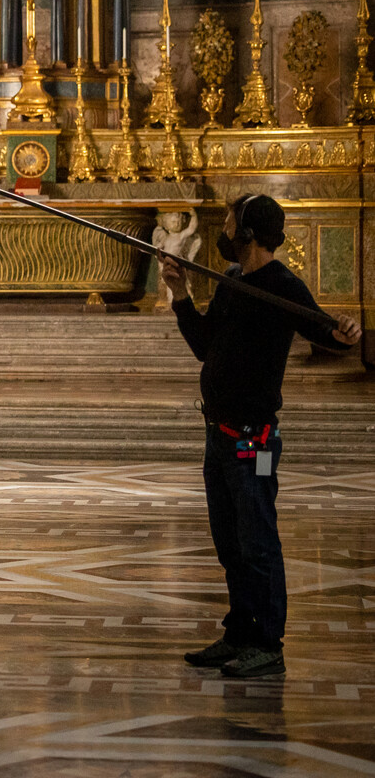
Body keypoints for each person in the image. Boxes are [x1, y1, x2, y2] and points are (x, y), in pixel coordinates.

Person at [164, 194, 361, 679]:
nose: (224, 231)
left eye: (230, 224)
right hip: (218, 436)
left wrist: (345, 334)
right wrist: (181, 294)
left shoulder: (283, 286)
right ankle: (239, 633)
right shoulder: (231, 280)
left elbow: (324, 332)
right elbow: (205, 346)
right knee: (230, 544)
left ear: (248, 234)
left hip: (254, 441)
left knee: (258, 543)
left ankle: (268, 643)